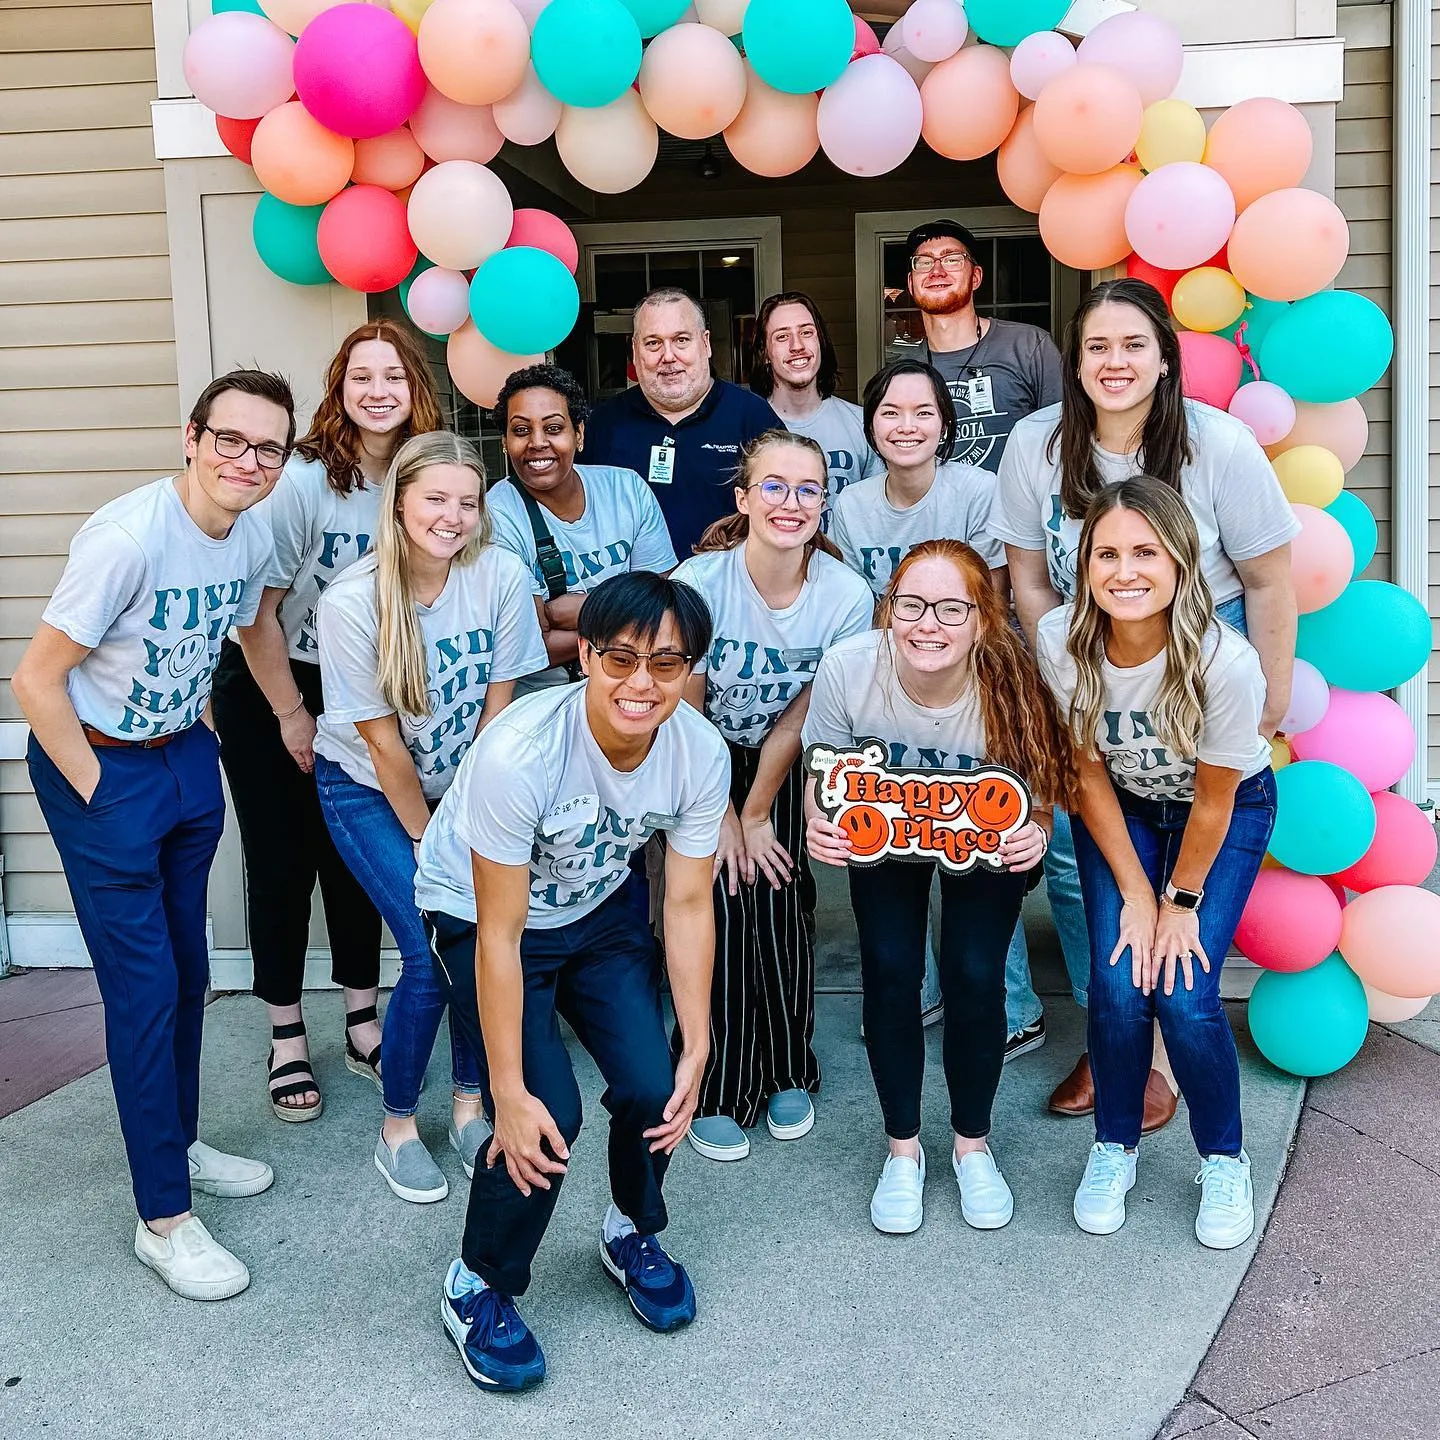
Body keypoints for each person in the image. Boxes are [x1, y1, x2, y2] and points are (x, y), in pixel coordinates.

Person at [13, 370, 294, 1301]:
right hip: (103, 767)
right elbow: (36, 682)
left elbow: (252, 624)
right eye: (231, 440)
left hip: (182, 757)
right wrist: (98, 788)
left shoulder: (249, 527)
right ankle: (162, 1220)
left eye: (268, 449)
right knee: (143, 992)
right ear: (191, 436)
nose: (247, 462)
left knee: (190, 975)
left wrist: (280, 713)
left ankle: (175, 1146)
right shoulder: (127, 538)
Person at [993, 276, 1299, 1124]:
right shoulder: (1035, 444)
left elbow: (1271, 580)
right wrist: (1070, 666)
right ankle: (1115, 1035)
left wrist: (1264, 706)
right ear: (1074, 363)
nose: (1114, 362)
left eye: (1133, 344)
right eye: (1096, 347)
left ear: (1165, 357)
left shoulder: (1219, 445)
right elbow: (1026, 575)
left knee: (1184, 848)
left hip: (1203, 655)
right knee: (1075, 847)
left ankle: (1159, 1052)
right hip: (1088, 654)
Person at [416, 571, 730, 1392]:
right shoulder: (521, 751)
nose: (641, 683)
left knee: (658, 1085)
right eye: (621, 658)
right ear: (585, 654)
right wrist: (505, 1092)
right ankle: (477, 1282)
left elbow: (690, 901)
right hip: (481, 912)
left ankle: (630, 1230)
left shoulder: (698, 752)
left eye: (666, 664)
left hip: (595, 908)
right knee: (543, 1115)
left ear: (689, 668)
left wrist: (698, 1040)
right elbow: (500, 934)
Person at [803, 540, 1076, 1236]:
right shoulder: (849, 668)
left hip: (979, 833)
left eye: (951, 608)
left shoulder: (1015, 681)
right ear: (888, 610)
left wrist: (1036, 832)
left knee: (976, 972)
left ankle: (972, 1145)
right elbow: (822, 769)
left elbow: (1040, 791)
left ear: (982, 620)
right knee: (891, 972)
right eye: (911, 604)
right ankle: (902, 1151)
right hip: (885, 829)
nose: (929, 624)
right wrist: (818, 824)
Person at [1036, 478, 1276, 1249]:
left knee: (1183, 990)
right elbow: (1084, 773)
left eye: (1145, 551)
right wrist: (1135, 894)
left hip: (1224, 815)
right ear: (1083, 564)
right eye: (1106, 553)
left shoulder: (1225, 663)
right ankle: (1115, 1147)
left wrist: (1176, 903)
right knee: (1115, 980)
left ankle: (1224, 1158)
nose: (1125, 570)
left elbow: (1212, 804)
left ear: (1180, 561)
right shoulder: (1061, 641)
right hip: (1127, 809)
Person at [215, 319, 442, 1122]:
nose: (378, 391)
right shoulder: (306, 479)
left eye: (394, 377)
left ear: (416, 389)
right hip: (276, 681)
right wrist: (292, 715)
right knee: (282, 863)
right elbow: (256, 614)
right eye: (361, 377)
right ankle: (284, 1032)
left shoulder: (418, 476)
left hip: (372, 685)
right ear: (339, 390)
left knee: (356, 859)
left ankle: (359, 1015)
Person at [312, 432, 547, 1203]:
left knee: (485, 939)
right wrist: (435, 840)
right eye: (436, 499)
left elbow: (500, 704)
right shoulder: (352, 601)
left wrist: (476, 817)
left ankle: (470, 1103)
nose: (453, 516)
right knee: (431, 949)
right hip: (370, 792)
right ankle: (399, 1125)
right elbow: (381, 746)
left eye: (468, 502)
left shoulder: (501, 573)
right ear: (401, 503)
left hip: (465, 785)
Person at [671, 430, 874, 1161]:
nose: (791, 503)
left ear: (825, 502)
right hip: (699, 751)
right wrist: (723, 813)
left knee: (783, 898)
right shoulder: (698, 582)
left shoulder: (846, 594)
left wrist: (757, 811)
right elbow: (684, 705)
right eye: (775, 486)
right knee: (719, 897)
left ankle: (790, 1067)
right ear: (744, 498)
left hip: (790, 753)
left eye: (808, 489)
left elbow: (809, 711)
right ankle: (717, 1083)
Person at [487, 363, 678, 689]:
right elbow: (528, 646)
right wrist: (629, 615)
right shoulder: (498, 514)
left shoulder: (626, 489)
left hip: (633, 684)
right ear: (505, 442)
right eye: (520, 431)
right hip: (543, 699)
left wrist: (586, 608)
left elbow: (664, 605)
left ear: (579, 434)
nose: (537, 442)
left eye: (553, 428)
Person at [582, 287, 781, 557]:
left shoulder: (752, 417)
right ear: (634, 349)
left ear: (706, 343)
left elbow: (782, 509)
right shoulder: (604, 424)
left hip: (727, 589)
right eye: (653, 343)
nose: (668, 356)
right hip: (634, 594)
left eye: (681, 340)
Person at [889, 219, 1062, 473]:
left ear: (976, 277)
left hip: (1018, 510)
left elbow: (1064, 438)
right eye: (924, 262)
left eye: (952, 259)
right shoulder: (902, 373)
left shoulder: (1028, 347)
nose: (936, 271)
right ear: (912, 284)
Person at [830, 358, 1005, 600]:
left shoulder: (978, 492)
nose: (907, 426)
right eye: (891, 412)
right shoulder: (851, 505)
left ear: (944, 424)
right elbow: (848, 602)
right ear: (871, 426)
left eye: (923, 413)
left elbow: (991, 605)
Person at [749, 290, 883, 502]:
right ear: (765, 352)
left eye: (807, 332)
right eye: (782, 337)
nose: (797, 346)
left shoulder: (862, 424)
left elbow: (877, 510)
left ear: (820, 342)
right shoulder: (747, 426)